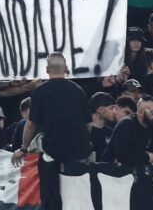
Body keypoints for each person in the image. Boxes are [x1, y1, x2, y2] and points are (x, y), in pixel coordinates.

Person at [13, 53, 93, 210]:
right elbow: (89, 124)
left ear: (47, 69)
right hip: (78, 154)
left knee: (51, 199)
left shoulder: (39, 92)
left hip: (51, 154)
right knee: (76, 199)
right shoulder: (78, 91)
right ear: (67, 69)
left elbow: (30, 125)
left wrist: (23, 148)